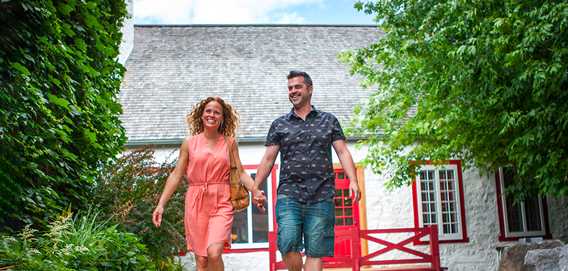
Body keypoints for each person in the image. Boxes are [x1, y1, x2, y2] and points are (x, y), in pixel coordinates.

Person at [252, 71, 361, 271]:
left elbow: (343, 152)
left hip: (321, 195)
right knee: (287, 243)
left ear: (309, 89)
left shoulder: (329, 121)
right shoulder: (279, 124)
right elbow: (268, 159)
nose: (293, 91)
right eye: (290, 88)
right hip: (289, 194)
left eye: (297, 87)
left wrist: (353, 180)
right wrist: (255, 187)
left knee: (316, 250)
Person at [152, 96, 266, 271]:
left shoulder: (229, 143)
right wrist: (161, 204)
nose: (212, 115)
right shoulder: (189, 143)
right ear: (202, 114)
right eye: (208, 111)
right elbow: (176, 175)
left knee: (213, 252)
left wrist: (256, 191)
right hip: (196, 202)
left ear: (222, 118)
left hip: (221, 201)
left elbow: (241, 172)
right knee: (202, 261)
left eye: (216, 112)